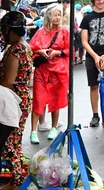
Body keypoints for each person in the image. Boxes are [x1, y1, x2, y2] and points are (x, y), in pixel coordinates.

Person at [0, 11, 33, 190]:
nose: (2, 32)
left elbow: (9, 80)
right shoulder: (21, 46)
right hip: (19, 99)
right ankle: (13, 180)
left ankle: (19, 183)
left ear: (10, 29)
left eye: (4, 29)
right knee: (12, 142)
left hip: (14, 101)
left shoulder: (17, 49)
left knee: (10, 143)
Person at [29, 4, 70, 144]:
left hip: (58, 71)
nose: (57, 18)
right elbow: (31, 48)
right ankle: (33, 131)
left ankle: (53, 127)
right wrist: (41, 52)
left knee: (56, 100)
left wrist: (57, 52)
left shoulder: (64, 32)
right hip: (42, 70)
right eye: (55, 15)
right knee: (39, 99)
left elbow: (69, 49)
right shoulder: (41, 32)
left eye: (59, 15)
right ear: (49, 16)